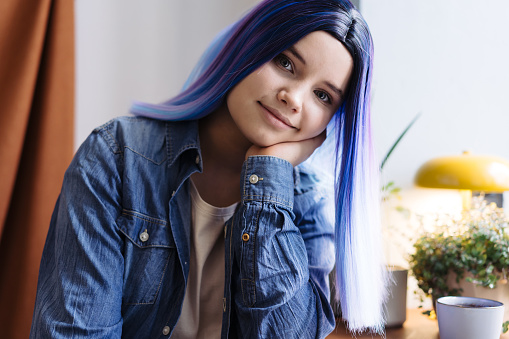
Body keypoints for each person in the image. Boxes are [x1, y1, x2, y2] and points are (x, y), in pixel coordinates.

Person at [30, 0, 386, 338]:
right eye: (285, 62)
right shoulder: (115, 158)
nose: (293, 98)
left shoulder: (308, 203)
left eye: (323, 96)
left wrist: (269, 180)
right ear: (248, 46)